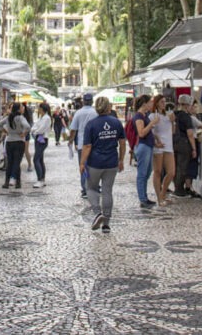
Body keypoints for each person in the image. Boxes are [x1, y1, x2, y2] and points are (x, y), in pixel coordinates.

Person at [80, 96, 126, 233]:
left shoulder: (91, 124)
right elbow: (122, 143)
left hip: (95, 163)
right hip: (112, 162)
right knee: (107, 191)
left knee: (91, 188)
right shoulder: (116, 122)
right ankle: (106, 223)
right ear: (109, 107)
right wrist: (121, 159)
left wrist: (82, 162)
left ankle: (97, 212)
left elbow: (87, 146)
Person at [67, 93, 98, 199]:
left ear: (83, 101)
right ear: (92, 101)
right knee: (94, 167)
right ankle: (94, 187)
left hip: (82, 144)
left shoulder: (78, 113)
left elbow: (73, 129)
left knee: (83, 166)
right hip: (94, 144)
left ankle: (85, 190)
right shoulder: (95, 112)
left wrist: (70, 140)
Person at [132, 94, 158, 208]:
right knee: (142, 173)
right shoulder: (138, 117)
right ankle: (142, 199)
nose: (152, 104)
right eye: (150, 102)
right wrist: (152, 123)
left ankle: (144, 196)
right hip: (143, 146)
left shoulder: (144, 115)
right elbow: (141, 133)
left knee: (147, 172)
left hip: (149, 145)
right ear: (145, 104)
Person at [150, 95, 177, 206]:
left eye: (164, 102)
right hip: (159, 146)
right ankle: (159, 197)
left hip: (168, 146)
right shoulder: (153, 116)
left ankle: (163, 194)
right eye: (161, 102)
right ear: (156, 103)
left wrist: (173, 122)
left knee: (171, 172)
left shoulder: (168, 115)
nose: (164, 104)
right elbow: (151, 131)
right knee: (158, 171)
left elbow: (173, 131)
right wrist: (156, 142)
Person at [0, 103, 30, 188]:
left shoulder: (8, 117)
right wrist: (24, 133)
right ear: (18, 109)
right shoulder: (21, 118)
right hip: (19, 142)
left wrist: (5, 131)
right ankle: (14, 179)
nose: (23, 108)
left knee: (10, 163)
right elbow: (28, 126)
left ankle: (7, 182)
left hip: (9, 141)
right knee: (17, 162)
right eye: (22, 107)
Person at [171, 94, 198, 199]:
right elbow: (190, 134)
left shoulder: (174, 114)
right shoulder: (186, 117)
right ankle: (179, 189)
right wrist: (194, 148)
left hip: (174, 142)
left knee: (176, 166)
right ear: (187, 105)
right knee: (182, 167)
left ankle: (177, 187)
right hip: (184, 143)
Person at [30, 102, 51, 187]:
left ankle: (40, 179)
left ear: (42, 109)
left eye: (39, 108)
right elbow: (34, 126)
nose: (38, 109)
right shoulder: (41, 117)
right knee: (40, 159)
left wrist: (35, 131)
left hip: (42, 139)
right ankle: (42, 179)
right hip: (38, 138)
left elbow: (41, 129)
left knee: (36, 159)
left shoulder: (46, 118)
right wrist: (34, 130)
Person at [21, 103, 34, 172]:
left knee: (26, 151)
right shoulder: (18, 115)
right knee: (21, 151)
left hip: (25, 134)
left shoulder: (27, 115)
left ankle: (29, 164)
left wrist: (25, 133)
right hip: (19, 135)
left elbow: (30, 125)